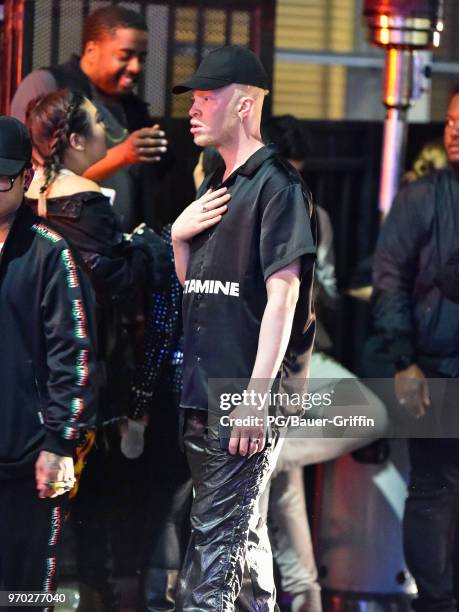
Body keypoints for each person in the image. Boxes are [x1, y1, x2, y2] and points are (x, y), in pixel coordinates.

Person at [171, 45, 317, 611]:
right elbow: (196, 290)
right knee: (242, 550)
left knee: (209, 568)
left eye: (208, 96)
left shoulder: (277, 186)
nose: (194, 107)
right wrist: (178, 237)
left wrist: (258, 399)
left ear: (246, 104)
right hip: (201, 391)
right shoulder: (215, 180)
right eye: (195, 97)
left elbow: (285, 297)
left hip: (241, 398)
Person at [24, 88, 171, 611]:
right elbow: (114, 279)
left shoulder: (24, 196)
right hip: (87, 362)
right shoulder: (85, 201)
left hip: (28, 368)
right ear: (79, 140)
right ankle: (96, 596)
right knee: (99, 507)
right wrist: (152, 247)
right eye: (99, 125)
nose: (109, 133)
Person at [0, 116, 97, 608]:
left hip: (27, 459)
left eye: (1, 179)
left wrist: (60, 442)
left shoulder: (50, 253)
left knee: (21, 595)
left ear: (27, 178)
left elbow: (74, 356)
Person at [373, 85, 459, 611]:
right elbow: (389, 281)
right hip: (433, 367)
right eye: (451, 121)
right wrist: (404, 361)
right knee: (434, 489)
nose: (456, 132)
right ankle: (436, 603)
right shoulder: (422, 197)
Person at [11, 5, 169, 232]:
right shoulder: (49, 86)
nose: (136, 67)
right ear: (92, 50)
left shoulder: (132, 105)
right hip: (63, 236)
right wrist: (122, 155)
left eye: (141, 58)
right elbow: (34, 175)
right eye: (125, 56)